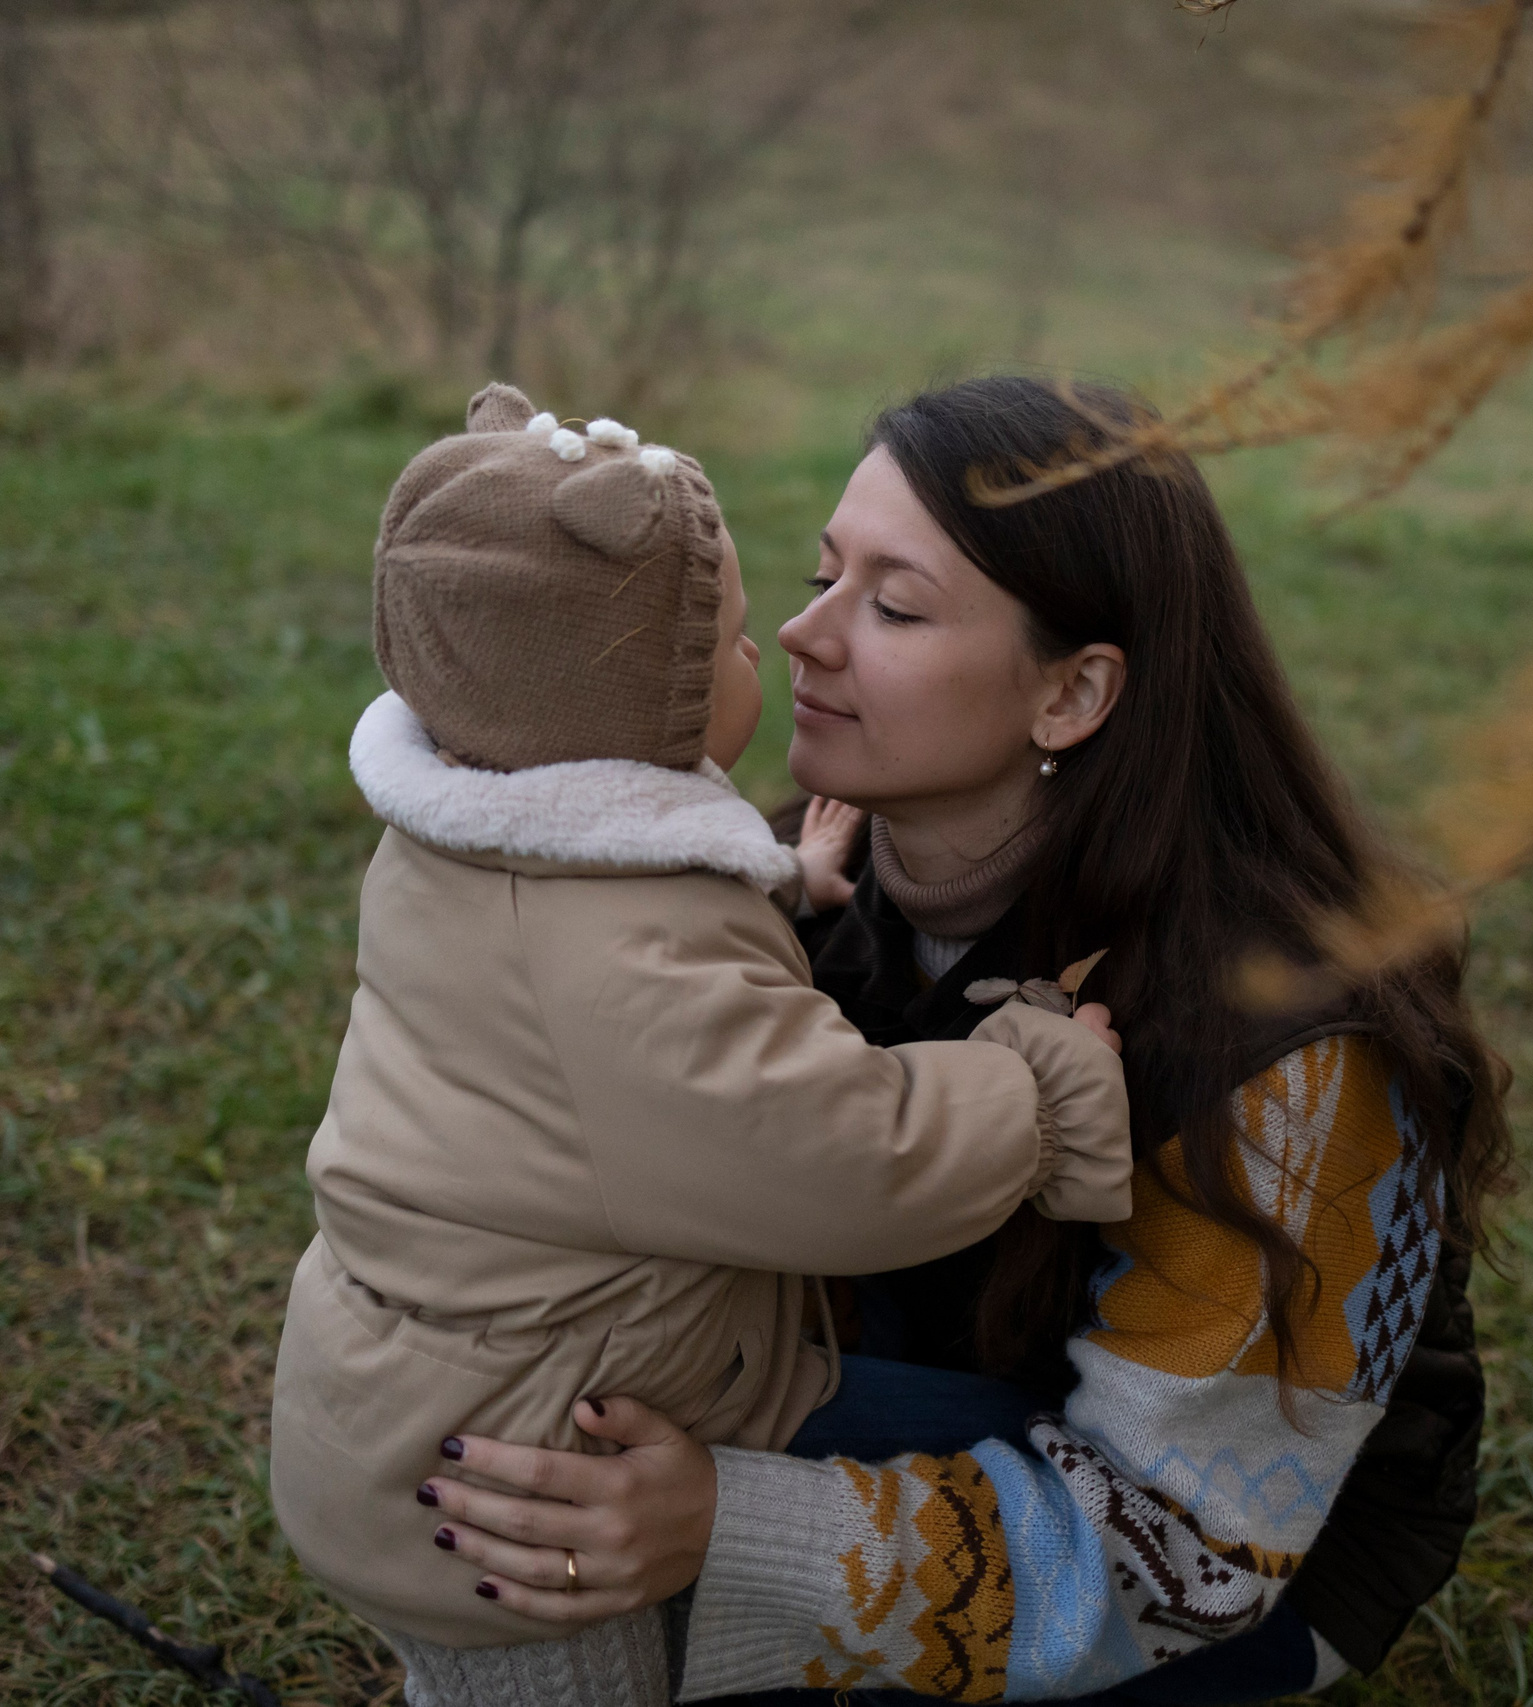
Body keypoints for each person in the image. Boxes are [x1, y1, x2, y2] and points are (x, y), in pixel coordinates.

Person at [420, 376, 1507, 1702]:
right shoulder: (788, 885)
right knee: (534, 1417)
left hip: (1232, 1563)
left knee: (608, 1471)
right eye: (823, 576)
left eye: (894, 606)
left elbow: (1185, 1556)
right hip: (939, 1379)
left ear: (1073, 695)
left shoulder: (1285, 1055)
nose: (808, 635)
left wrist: (724, 1524)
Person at [268, 382, 1137, 1707]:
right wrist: (1041, 1086)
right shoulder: (628, 964)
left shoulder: (468, 839)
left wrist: (774, 884)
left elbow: (608, 975)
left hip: (419, 1411)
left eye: (890, 604)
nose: (786, 640)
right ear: (622, 705)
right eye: (738, 638)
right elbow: (848, 1155)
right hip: (523, 1488)